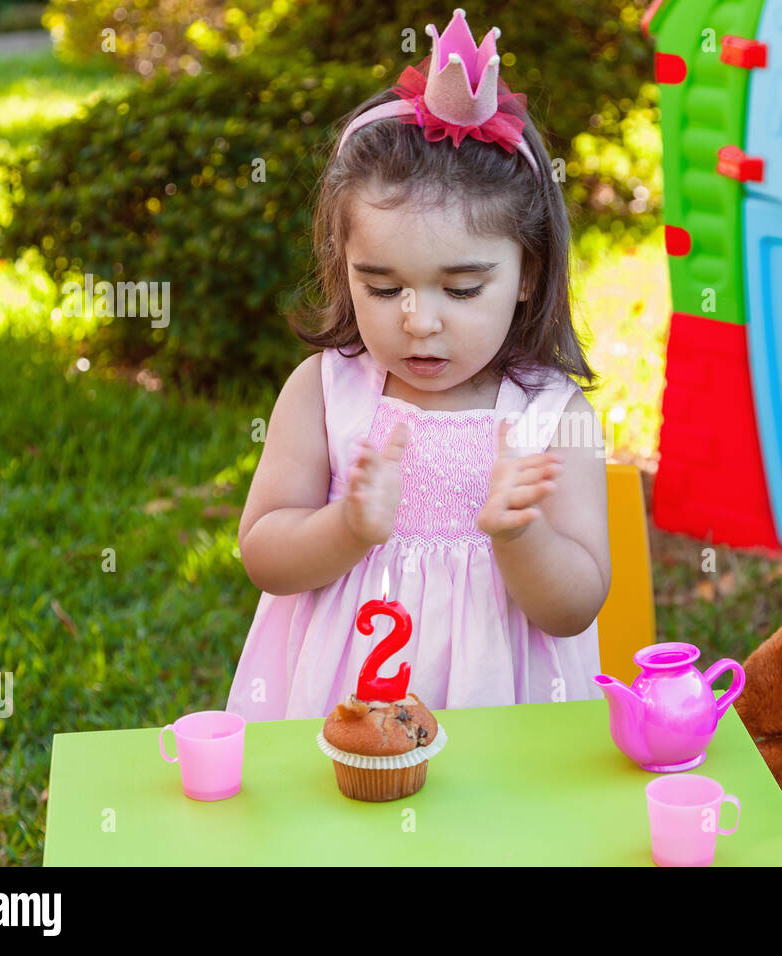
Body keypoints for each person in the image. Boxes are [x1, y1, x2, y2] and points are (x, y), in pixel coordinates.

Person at [226, 9, 610, 719]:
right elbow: (264, 555)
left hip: (500, 714)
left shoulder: (554, 418)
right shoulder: (325, 392)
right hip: (338, 711)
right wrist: (347, 529)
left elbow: (575, 608)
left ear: (528, 273)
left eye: (462, 289)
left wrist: (521, 536)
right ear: (344, 270)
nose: (419, 320)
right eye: (381, 286)